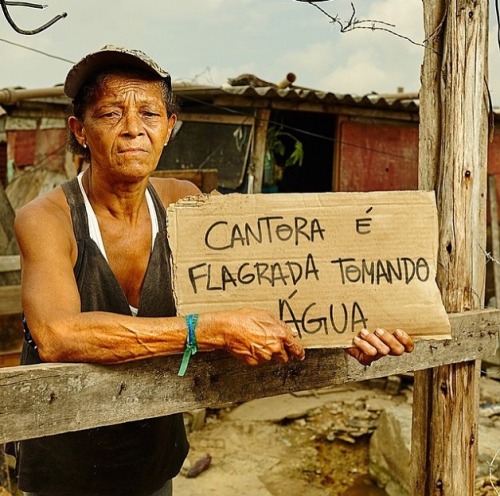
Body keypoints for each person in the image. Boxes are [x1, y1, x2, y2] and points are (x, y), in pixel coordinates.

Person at [13, 45, 414, 496]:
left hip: (153, 456)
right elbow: (57, 335)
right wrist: (205, 329)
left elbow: (270, 296)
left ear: (170, 129)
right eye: (109, 114)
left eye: (149, 114)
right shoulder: (47, 218)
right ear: (80, 130)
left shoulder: (184, 204)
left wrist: (346, 335)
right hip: (65, 467)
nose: (132, 130)